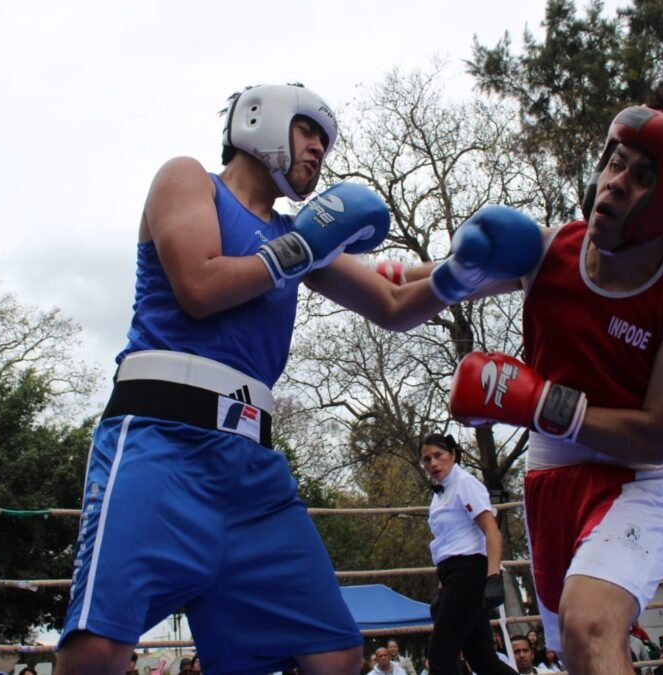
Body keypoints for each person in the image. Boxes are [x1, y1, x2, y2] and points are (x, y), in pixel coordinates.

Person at [55, 81, 542, 675]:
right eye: (308, 130)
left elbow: (393, 300)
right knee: (99, 647)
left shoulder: (295, 236)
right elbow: (199, 285)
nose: (318, 148)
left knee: (334, 653)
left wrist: (495, 270)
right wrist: (300, 248)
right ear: (258, 117)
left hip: (251, 465)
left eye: (325, 142)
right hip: (162, 438)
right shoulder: (189, 180)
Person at [441, 84, 663, 674]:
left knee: (591, 623)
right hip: (548, 480)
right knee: (579, 650)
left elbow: (658, 434)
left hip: (635, 477)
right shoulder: (548, 249)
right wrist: (302, 255)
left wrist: (539, 402)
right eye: (615, 163)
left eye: (643, 176)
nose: (615, 183)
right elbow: (403, 292)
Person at [421, 434, 519, 675]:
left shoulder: (465, 483)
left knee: (440, 656)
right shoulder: (440, 493)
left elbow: (492, 531)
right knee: (482, 660)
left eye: (438, 455)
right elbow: (448, 540)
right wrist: (443, 584)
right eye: (427, 459)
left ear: (453, 454)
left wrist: (493, 576)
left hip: (468, 573)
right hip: (453, 574)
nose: (433, 463)